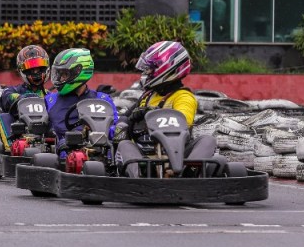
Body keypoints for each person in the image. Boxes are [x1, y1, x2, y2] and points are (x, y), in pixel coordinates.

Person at [113, 40, 216, 177]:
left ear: (167, 69)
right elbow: (125, 117)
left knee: (208, 140)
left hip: (177, 155)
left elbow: (182, 122)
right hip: (145, 156)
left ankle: (187, 177)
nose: (146, 72)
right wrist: (128, 121)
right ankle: (139, 180)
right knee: (124, 144)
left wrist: (151, 112)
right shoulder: (148, 96)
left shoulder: (184, 97)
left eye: (151, 68)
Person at [44, 48, 117, 149]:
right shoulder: (50, 100)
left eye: (65, 74)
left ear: (78, 72)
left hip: (99, 152)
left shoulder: (102, 99)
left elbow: (115, 128)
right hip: (64, 154)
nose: (61, 79)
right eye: (59, 74)